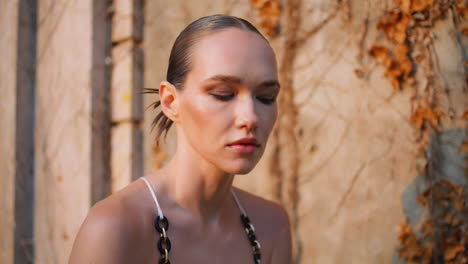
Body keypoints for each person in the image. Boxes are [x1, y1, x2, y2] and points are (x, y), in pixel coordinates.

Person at [69, 14, 292, 264]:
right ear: (171, 102)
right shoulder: (115, 227)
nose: (250, 118)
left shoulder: (272, 226)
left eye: (266, 97)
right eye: (223, 94)